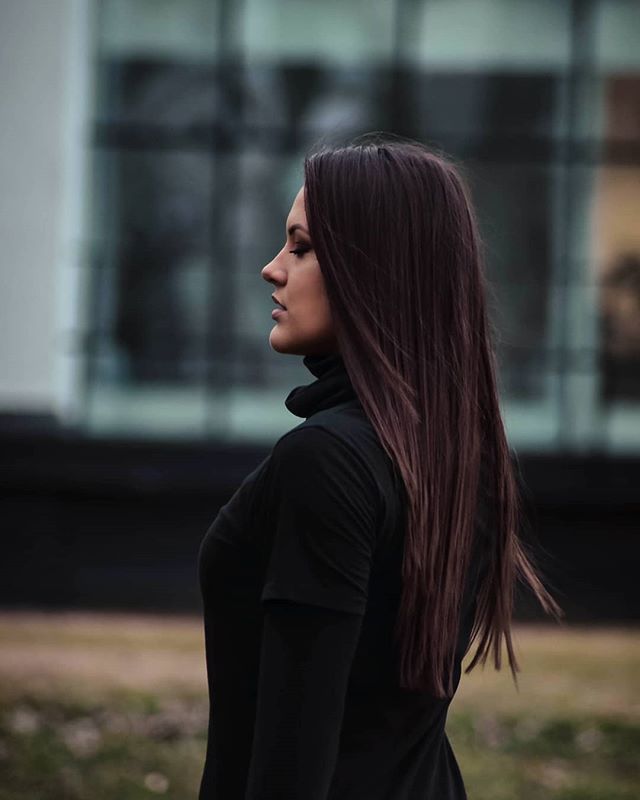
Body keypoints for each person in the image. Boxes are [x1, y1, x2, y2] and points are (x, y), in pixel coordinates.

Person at [197, 135, 561, 799]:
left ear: (373, 270)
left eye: (302, 247)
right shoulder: (452, 450)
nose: (272, 269)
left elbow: (294, 761)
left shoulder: (327, 461)